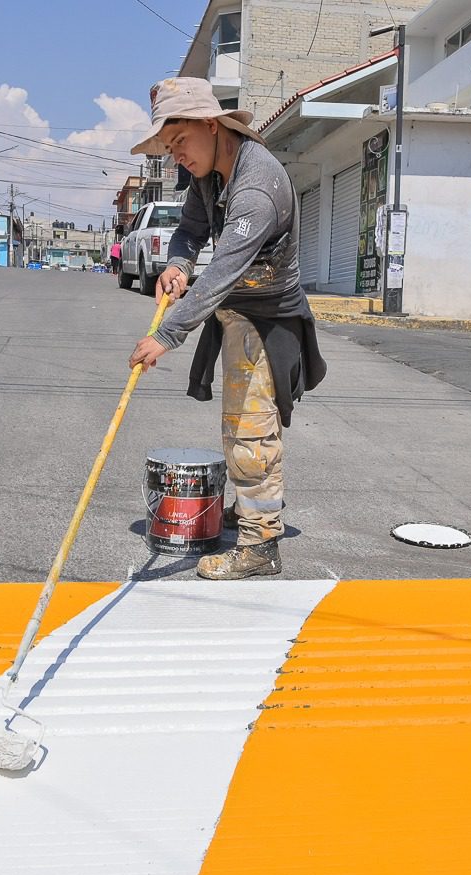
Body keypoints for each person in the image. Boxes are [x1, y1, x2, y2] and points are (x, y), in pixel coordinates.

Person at [128, 77, 327, 580]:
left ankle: (260, 544)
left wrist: (165, 336)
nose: (176, 156)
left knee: (251, 429)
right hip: (236, 313)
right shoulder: (208, 173)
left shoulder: (257, 185)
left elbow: (223, 270)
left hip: (269, 320)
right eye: (168, 147)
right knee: (236, 424)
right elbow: (192, 231)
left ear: (212, 126)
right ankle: (250, 508)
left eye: (180, 142)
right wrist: (177, 262)